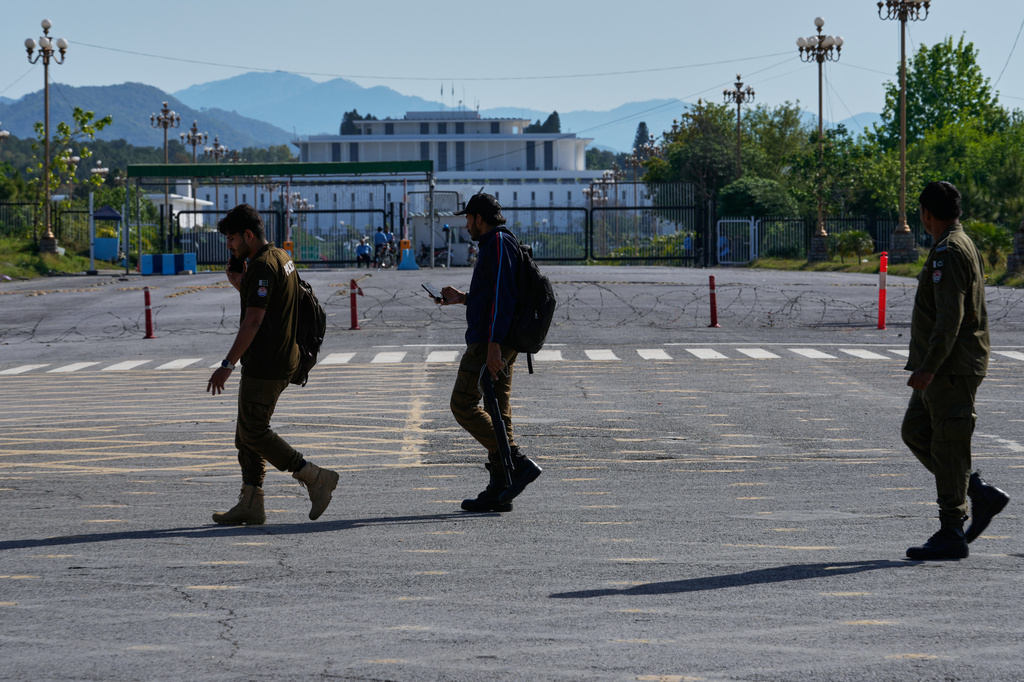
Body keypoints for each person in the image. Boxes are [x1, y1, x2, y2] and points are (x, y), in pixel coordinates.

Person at [207, 204, 340, 525]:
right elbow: (272, 303)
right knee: (246, 434)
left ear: (248, 235)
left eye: (232, 239)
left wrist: (227, 364)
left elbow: (253, 320)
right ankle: (251, 502)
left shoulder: (262, 266)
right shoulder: (281, 257)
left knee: (254, 431)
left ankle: (313, 475)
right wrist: (241, 283)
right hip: (279, 356)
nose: (229, 246)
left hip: (267, 362)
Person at [901, 181, 1009, 560]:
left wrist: (929, 367)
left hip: (950, 368)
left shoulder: (949, 250)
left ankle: (951, 531)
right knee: (916, 431)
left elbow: (950, 318)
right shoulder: (958, 243)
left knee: (949, 444)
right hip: (947, 367)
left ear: (926, 214)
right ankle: (978, 491)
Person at [438, 193, 542, 512]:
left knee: (463, 403)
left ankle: (517, 463)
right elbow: (491, 295)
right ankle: (502, 486)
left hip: (490, 342)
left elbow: (502, 297)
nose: (466, 225)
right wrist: (462, 298)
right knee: (498, 409)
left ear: (479, 219)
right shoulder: (499, 243)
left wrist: (493, 344)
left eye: (468, 219)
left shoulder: (496, 243)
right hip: (500, 339)